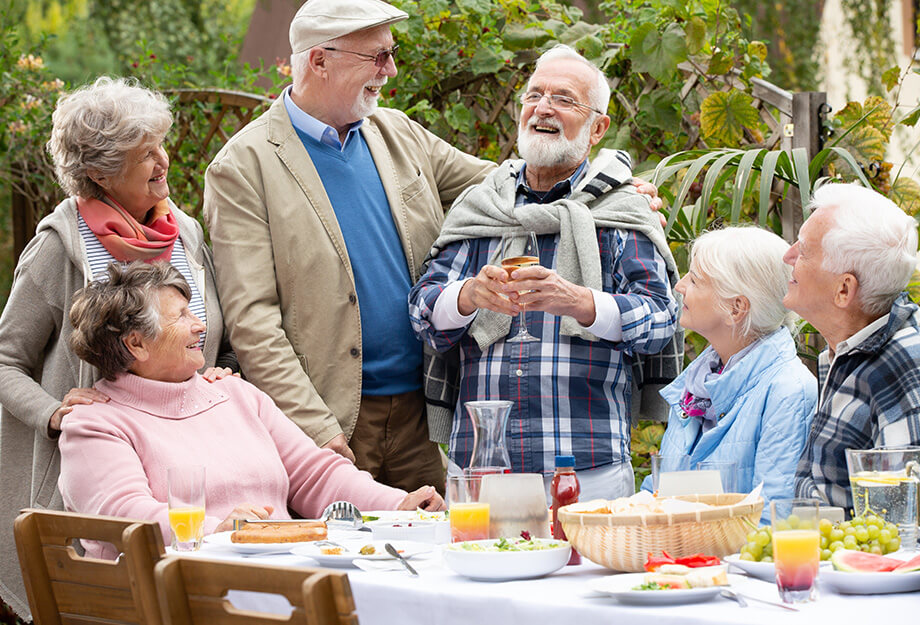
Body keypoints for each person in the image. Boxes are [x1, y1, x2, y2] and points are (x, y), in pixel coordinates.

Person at [204, 0, 662, 493]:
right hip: (331, 420)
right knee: (343, 562)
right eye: (376, 57)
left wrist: (613, 189)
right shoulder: (242, 168)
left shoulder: (396, 133)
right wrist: (315, 428)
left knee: (434, 556)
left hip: (419, 421)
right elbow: (253, 323)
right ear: (320, 60)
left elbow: (516, 184)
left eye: (391, 53)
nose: (391, 69)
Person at [0, 77, 234, 618]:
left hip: (184, 469)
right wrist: (53, 413)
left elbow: (214, 338)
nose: (163, 161)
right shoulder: (59, 248)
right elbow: (5, 359)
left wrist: (224, 371)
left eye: (161, 145)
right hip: (93, 479)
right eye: (143, 154)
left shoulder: (188, 236)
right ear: (100, 172)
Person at [408, 45, 681, 500]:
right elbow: (421, 311)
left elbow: (660, 318)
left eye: (564, 99)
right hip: (483, 468)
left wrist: (582, 303)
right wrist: (468, 297)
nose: (544, 108)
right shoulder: (483, 206)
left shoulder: (620, 209)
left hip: (587, 468)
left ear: (597, 128)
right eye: (534, 96)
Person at [57, 262, 443, 559]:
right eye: (181, 317)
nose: (200, 326)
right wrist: (217, 530)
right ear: (136, 344)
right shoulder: (95, 424)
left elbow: (316, 474)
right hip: (173, 595)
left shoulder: (234, 392)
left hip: (280, 576)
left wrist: (395, 505)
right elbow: (124, 514)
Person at [641, 227, 816, 519]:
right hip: (679, 560)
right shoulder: (695, 384)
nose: (681, 286)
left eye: (695, 280)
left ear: (736, 309)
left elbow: (773, 518)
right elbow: (659, 492)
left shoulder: (789, 391)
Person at [787, 183, 920, 511]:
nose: (787, 254)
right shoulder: (851, 350)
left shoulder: (903, 366)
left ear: (844, 289)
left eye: (803, 251)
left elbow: (901, 525)